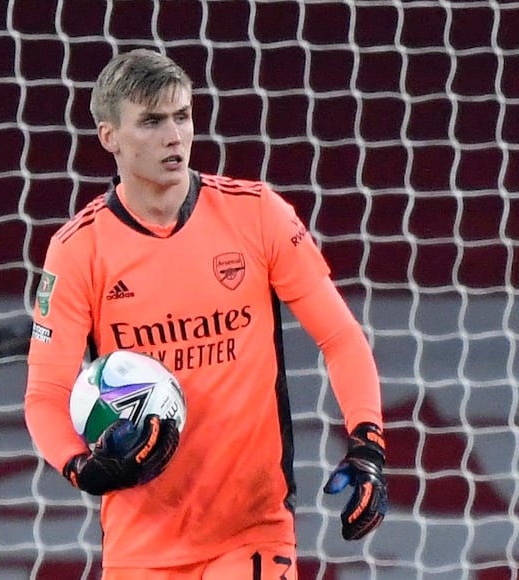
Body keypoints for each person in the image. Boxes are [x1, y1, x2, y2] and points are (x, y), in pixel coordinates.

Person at [24, 48, 387, 580]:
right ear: (110, 137)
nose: (175, 136)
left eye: (182, 116)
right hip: (139, 545)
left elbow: (339, 336)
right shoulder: (78, 250)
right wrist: (81, 467)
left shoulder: (256, 213)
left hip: (252, 532)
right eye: (151, 121)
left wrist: (368, 444)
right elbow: (45, 394)